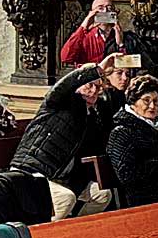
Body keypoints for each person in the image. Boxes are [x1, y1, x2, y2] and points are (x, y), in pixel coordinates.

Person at [10, 63, 114, 219]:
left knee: (103, 194)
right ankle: (47, 236)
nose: (94, 91)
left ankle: (76, 231)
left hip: (63, 177)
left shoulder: (91, 116)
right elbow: (64, 85)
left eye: (98, 88)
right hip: (33, 170)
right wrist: (95, 69)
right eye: (90, 85)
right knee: (66, 198)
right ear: (78, 84)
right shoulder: (59, 103)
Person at [107, 75, 158, 207]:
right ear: (133, 102)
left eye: (156, 101)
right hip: (143, 200)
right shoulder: (121, 132)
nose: (153, 106)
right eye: (146, 100)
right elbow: (127, 174)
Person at [59, 0, 133, 67]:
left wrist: (120, 44)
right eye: (100, 8)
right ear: (92, 13)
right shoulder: (84, 37)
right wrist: (83, 26)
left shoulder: (126, 37)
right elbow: (66, 58)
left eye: (109, 8)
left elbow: (129, 66)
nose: (105, 11)